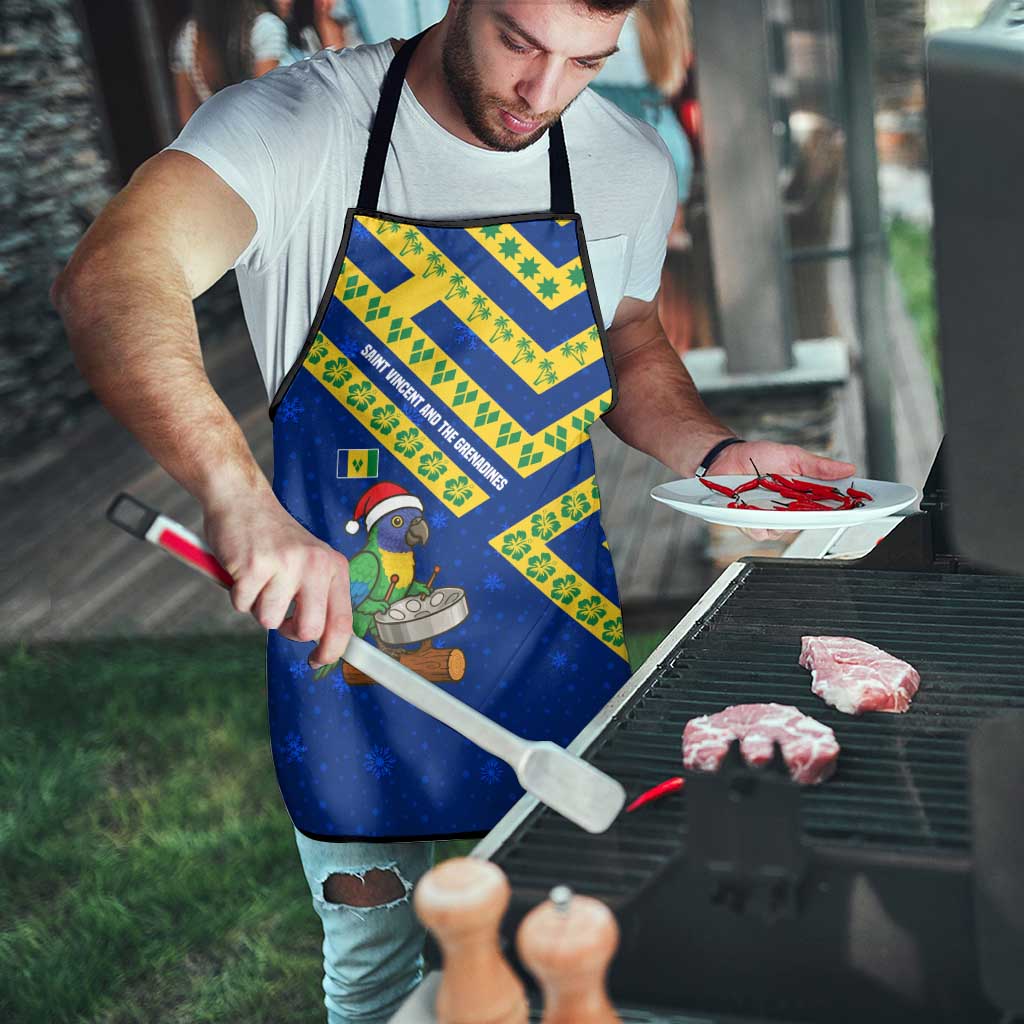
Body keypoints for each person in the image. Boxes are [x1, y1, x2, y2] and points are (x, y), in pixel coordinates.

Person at [54, 2, 855, 1020]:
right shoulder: (299, 126)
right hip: (353, 654)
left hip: (554, 632)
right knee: (377, 977)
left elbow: (627, 338)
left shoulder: (625, 161)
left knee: (589, 954)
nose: (543, 93)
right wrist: (237, 496)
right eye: (520, 42)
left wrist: (715, 451)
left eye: (586, 62)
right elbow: (114, 275)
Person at [170, 0, 289, 126]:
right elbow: (266, 107)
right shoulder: (265, 27)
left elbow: (188, 120)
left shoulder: (188, 37)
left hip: (216, 134)